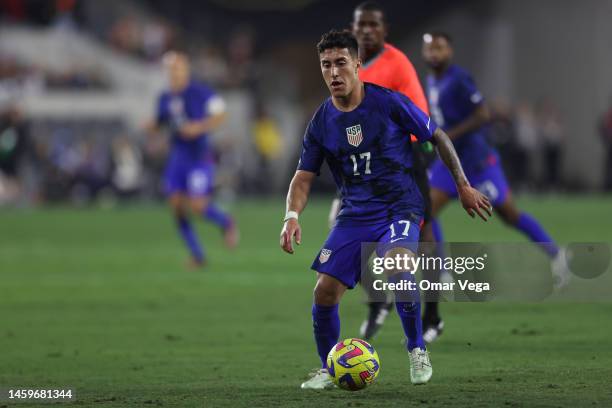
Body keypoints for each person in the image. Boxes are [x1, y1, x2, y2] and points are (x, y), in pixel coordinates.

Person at [280, 29, 491, 389]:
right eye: (326, 65)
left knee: (397, 267)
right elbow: (302, 178)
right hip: (355, 213)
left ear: (358, 65)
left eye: (341, 63)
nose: (333, 73)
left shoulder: (389, 103)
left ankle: (416, 349)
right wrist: (291, 216)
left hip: (400, 206)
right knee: (324, 292)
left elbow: (436, 136)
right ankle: (331, 366)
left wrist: (462, 185)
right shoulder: (320, 122)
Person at [421, 32, 570, 341]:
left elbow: (483, 115)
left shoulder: (459, 79)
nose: (434, 52)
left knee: (509, 215)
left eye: (440, 46)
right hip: (449, 164)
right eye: (430, 47)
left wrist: (445, 136)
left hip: (477, 164)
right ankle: (444, 272)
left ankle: (558, 255)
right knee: (425, 211)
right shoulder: (430, 80)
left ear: (450, 50)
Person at [325, 0, 436, 341]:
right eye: (361, 25)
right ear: (353, 28)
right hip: (362, 164)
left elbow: (418, 115)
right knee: (341, 222)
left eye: (374, 25)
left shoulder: (396, 63)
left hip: (407, 156)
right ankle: (378, 303)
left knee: (425, 233)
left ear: (384, 30)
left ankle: (432, 316)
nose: (367, 30)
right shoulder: (347, 65)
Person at [149, 51, 238, 268]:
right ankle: (198, 255)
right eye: (170, 69)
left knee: (198, 206)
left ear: (186, 69)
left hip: (199, 157)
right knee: (177, 207)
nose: (174, 72)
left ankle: (226, 222)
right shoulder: (165, 98)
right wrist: (150, 128)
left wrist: (199, 127)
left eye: (177, 67)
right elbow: (160, 122)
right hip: (177, 158)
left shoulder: (199, 92)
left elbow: (221, 114)